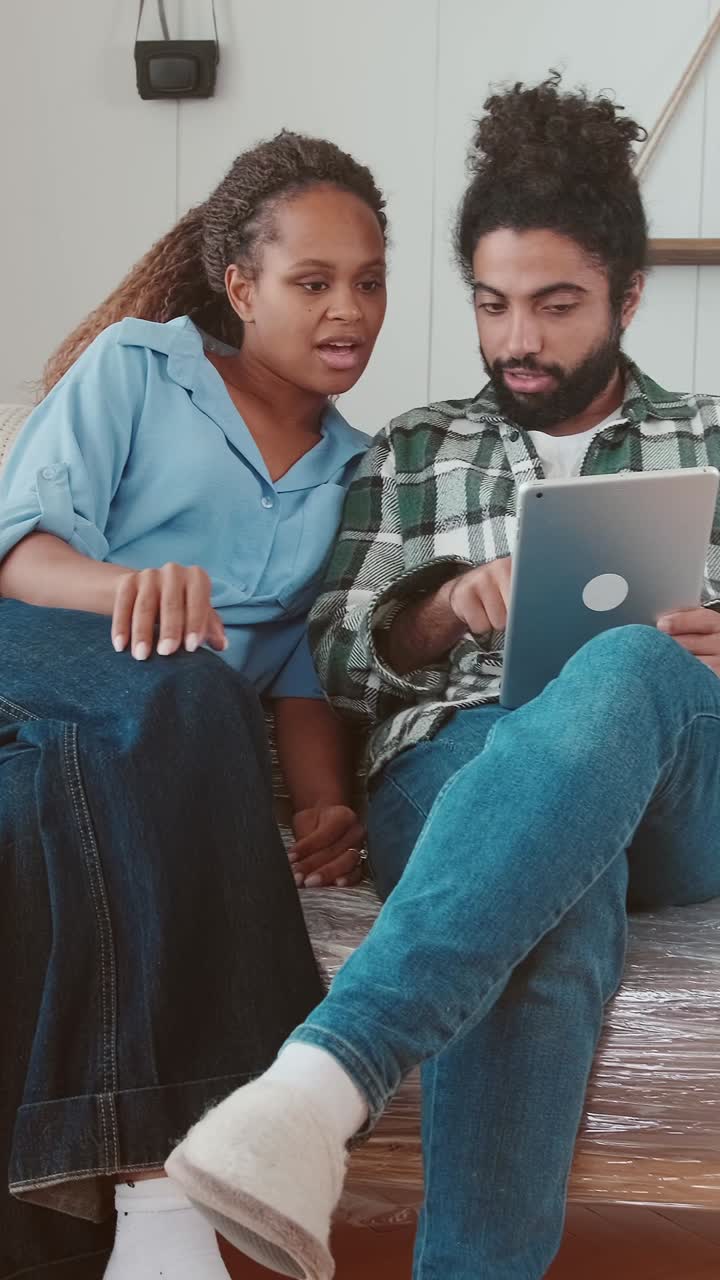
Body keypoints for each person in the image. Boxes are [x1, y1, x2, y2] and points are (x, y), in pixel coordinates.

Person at [165, 76, 720, 1280]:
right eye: (492, 303)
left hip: (679, 791)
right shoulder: (415, 448)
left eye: (557, 304)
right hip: (456, 760)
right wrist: (445, 609)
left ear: (628, 295)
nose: (518, 338)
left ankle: (319, 1083)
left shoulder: (713, 439)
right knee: (553, 911)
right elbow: (341, 649)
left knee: (627, 660)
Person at [0, 130, 387, 1280]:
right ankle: (197, 1181)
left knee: (37, 830)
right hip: (40, 653)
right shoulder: (138, 365)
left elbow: (308, 676)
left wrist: (322, 804)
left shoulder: (362, 471)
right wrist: (130, 591)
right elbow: (19, 551)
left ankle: (77, 1232)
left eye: (367, 281)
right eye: (312, 282)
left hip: (134, 741)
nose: (347, 310)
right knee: (190, 675)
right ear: (240, 286)